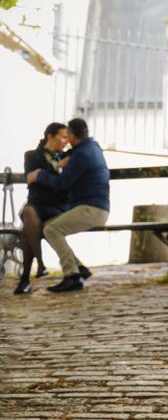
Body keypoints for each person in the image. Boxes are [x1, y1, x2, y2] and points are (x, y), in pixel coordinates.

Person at [26, 118, 110, 292]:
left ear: (72, 135)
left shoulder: (81, 154)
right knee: (48, 227)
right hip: (94, 207)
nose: (66, 140)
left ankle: (72, 276)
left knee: (51, 230)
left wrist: (39, 176)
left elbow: (62, 183)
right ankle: (79, 268)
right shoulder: (91, 148)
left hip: (91, 209)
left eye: (67, 135)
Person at [13, 123, 69, 295]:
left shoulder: (67, 156)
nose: (66, 141)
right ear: (50, 136)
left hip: (57, 208)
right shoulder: (31, 155)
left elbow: (63, 183)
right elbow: (29, 178)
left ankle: (25, 280)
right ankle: (40, 263)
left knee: (25, 232)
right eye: (63, 136)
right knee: (29, 213)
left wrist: (43, 175)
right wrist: (55, 167)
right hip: (37, 206)